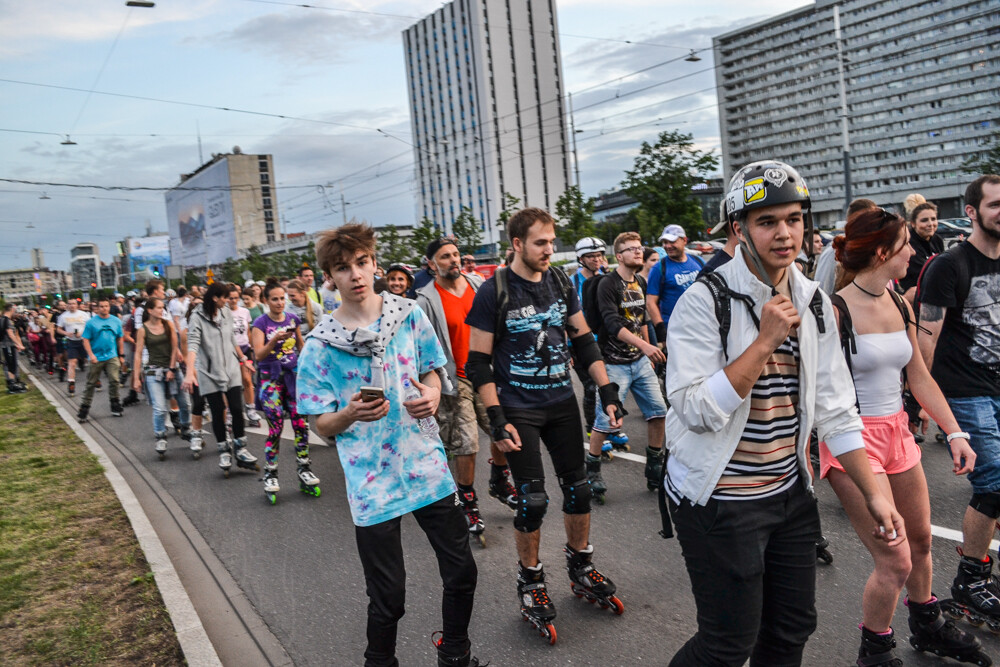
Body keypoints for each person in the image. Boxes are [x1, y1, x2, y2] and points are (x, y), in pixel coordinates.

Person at [662, 160, 904, 666]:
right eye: (767, 221)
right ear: (739, 229)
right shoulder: (703, 301)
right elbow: (693, 410)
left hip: (788, 492)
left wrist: (875, 494)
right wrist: (764, 341)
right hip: (720, 499)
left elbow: (837, 410)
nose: (784, 233)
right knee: (727, 644)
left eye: (794, 219)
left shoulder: (813, 301)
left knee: (791, 630)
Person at [295, 223, 482, 667]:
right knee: (388, 596)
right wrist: (348, 415)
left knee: (461, 571)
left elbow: (435, 369)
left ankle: (455, 654)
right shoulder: (320, 347)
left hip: (426, 467)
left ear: (374, 264)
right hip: (371, 482)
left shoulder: (408, 314)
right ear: (330, 277)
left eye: (362, 263)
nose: (356, 275)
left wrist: (433, 394)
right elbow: (321, 424)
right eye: (343, 268)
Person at [823, 206, 985, 664]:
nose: (912, 251)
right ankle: (874, 650)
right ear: (881, 253)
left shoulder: (898, 301)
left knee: (920, 543)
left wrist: (955, 432)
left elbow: (919, 375)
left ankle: (926, 622)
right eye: (904, 246)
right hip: (852, 440)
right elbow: (817, 395)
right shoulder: (834, 311)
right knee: (894, 560)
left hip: (898, 431)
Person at [465, 207, 626, 643]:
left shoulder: (559, 281)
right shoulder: (493, 290)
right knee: (533, 500)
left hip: (561, 403)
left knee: (578, 489)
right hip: (519, 408)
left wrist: (607, 390)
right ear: (517, 244)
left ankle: (580, 565)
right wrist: (497, 419)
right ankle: (531, 582)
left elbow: (584, 339)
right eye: (540, 243)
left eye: (552, 242)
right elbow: (477, 363)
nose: (549, 250)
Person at [917, 174, 1000, 630]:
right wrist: (922, 401)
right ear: (972, 212)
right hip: (966, 392)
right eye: (994, 205)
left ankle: (979, 568)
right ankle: (970, 579)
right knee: (993, 482)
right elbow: (925, 339)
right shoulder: (949, 265)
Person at [416, 237, 518, 545]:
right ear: (432, 265)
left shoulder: (480, 285)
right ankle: (469, 503)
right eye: (445, 256)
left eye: (456, 254)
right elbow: (422, 347)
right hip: (453, 379)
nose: (454, 260)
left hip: (487, 374)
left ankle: (500, 480)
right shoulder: (425, 300)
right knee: (467, 443)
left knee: (504, 431)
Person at [585, 232, 668, 501]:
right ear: (618, 256)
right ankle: (593, 469)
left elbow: (641, 319)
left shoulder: (640, 282)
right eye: (631, 249)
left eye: (639, 247)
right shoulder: (607, 284)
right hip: (614, 364)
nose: (638, 252)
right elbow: (611, 323)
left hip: (640, 362)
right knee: (606, 422)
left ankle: (654, 466)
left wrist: (649, 348)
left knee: (658, 413)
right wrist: (644, 346)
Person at [182, 282, 260, 478]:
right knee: (218, 412)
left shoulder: (225, 312)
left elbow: (232, 339)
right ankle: (224, 451)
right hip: (209, 372)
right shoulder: (197, 316)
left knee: (236, 408)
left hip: (231, 368)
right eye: (225, 297)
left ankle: (241, 449)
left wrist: (243, 359)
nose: (228, 301)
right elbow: (192, 344)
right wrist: (190, 372)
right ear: (215, 297)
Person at [251, 279, 317, 503]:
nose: (280, 303)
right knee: (276, 425)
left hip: (292, 376)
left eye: (282, 298)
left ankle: (304, 468)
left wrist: (310, 361)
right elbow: (258, 355)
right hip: (270, 380)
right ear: (266, 301)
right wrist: (274, 341)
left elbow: (300, 345)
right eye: (275, 299)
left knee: (301, 423)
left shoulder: (292, 319)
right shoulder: (260, 323)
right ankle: (271, 473)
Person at [133, 298, 196, 458]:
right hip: (153, 372)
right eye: (159, 307)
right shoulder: (142, 330)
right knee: (160, 408)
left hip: (172, 368)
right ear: (150, 310)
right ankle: (160, 435)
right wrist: (136, 378)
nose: (162, 310)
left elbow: (175, 347)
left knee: (185, 403)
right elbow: (138, 355)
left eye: (163, 308)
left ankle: (186, 428)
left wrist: (172, 367)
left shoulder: (168, 325)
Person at [571, 236, 607, 437]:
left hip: (602, 342)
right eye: (591, 256)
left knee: (607, 386)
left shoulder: (606, 278)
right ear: (581, 259)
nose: (596, 260)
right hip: (578, 344)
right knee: (591, 387)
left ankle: (609, 425)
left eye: (599, 255)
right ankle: (592, 428)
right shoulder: (573, 283)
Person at [646, 224, 704, 347]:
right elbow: (650, 303)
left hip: (702, 326)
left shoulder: (698, 262)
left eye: (672, 241)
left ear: (684, 240)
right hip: (676, 332)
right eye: (665, 242)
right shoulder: (659, 268)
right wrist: (662, 332)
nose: (668, 246)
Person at [77, 297, 125, 421]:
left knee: (114, 380)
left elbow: (120, 338)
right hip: (96, 357)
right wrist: (91, 355)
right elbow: (85, 339)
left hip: (112, 355)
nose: (104, 308)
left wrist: (121, 355)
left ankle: (115, 404)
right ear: (97, 308)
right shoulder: (91, 323)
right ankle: (84, 408)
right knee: (91, 383)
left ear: (109, 307)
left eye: (106, 306)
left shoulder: (116, 321)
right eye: (102, 306)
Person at [226, 285, 261, 427]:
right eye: (230, 298)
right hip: (229, 351)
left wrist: (252, 347)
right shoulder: (223, 313)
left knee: (247, 380)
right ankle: (229, 412)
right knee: (230, 383)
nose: (233, 301)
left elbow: (248, 331)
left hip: (245, 349)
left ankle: (250, 409)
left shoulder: (244, 311)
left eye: (235, 298)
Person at [899, 195, 944, 305]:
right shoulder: (910, 244)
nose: (930, 224)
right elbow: (926, 274)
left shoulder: (937, 240)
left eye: (933, 219)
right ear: (913, 224)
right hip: (916, 300)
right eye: (924, 220)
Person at [56, 299, 90, 396]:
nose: (72, 306)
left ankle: (95, 379)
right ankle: (71, 383)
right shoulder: (63, 316)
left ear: (77, 305)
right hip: (71, 341)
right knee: (72, 362)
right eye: (70, 304)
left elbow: (90, 327)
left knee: (89, 360)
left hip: (84, 340)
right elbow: (58, 329)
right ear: (67, 305)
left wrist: (82, 333)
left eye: (74, 304)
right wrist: (66, 333)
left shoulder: (84, 314)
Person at [1, 303, 27, 393]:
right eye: (14, 309)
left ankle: (13, 383)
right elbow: (10, 334)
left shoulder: (3, 319)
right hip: (8, 345)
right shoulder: (6, 320)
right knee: (11, 365)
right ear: (11, 309)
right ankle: (12, 385)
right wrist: (18, 344)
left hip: (7, 345)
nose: (15, 311)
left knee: (10, 364)